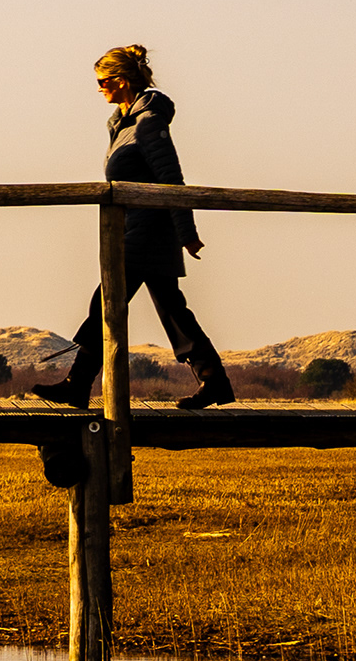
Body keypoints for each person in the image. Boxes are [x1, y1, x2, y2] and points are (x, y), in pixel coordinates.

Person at [41, 44, 235, 410]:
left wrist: (186, 232)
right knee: (171, 308)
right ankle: (215, 381)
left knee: (107, 302)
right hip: (139, 230)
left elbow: (171, 178)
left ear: (122, 80)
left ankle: (76, 384)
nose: (98, 88)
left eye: (102, 81)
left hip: (147, 232)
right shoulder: (125, 122)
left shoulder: (148, 122)